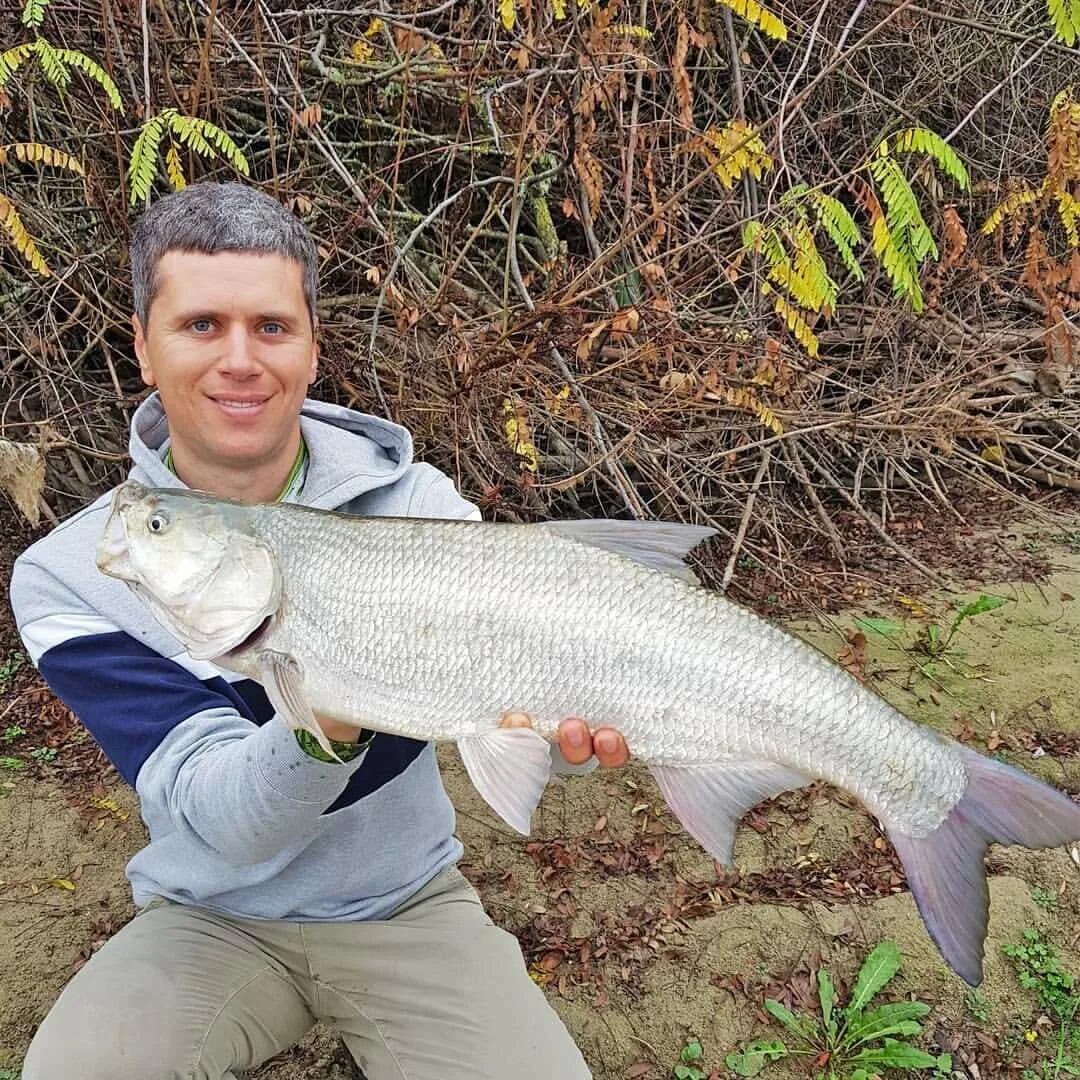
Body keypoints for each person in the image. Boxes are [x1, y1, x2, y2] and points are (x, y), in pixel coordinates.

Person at [9, 181, 630, 1080]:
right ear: (144, 346)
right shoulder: (76, 571)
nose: (239, 361)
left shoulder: (418, 510)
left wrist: (575, 732)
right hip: (208, 915)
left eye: (270, 327)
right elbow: (228, 823)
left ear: (309, 347)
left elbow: (525, 723)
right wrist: (328, 708)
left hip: (405, 904)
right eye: (200, 326)